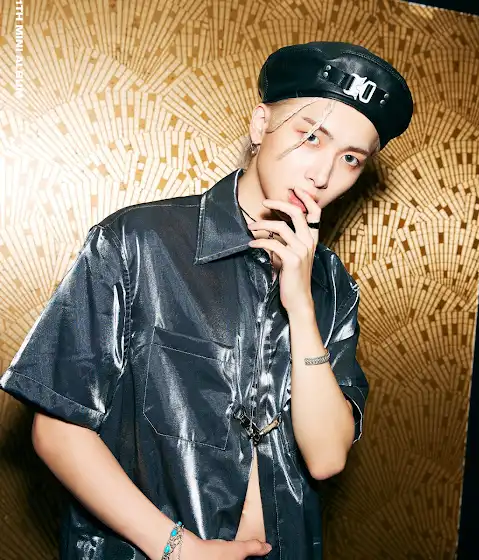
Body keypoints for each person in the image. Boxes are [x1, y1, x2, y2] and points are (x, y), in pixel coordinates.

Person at [0, 41, 412, 559]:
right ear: (261, 125)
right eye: (310, 137)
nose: (323, 175)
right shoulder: (137, 241)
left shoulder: (332, 284)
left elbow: (327, 457)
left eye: (350, 159)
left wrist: (301, 307)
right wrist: (177, 548)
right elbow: (59, 430)